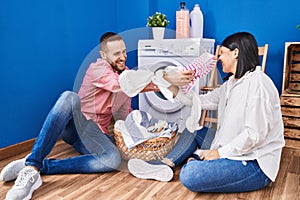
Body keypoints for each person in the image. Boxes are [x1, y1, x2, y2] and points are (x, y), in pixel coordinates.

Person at [0, 32, 196, 200]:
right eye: (117, 53)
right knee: (69, 97)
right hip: (77, 124)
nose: (123, 57)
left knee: (112, 159)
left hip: (95, 132)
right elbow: (120, 84)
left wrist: (131, 138)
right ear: (104, 55)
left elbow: (123, 112)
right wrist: (166, 77)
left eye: (124, 51)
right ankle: (31, 168)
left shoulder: (127, 74)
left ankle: (41, 164)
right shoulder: (99, 68)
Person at [128, 32, 285, 193]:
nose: (219, 58)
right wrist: (172, 85)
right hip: (230, 146)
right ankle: (167, 164)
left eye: (222, 53)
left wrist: (219, 153)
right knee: (193, 130)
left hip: (254, 163)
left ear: (236, 53)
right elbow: (199, 101)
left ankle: (195, 160)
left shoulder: (258, 84)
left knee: (190, 175)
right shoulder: (231, 84)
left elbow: (254, 135)